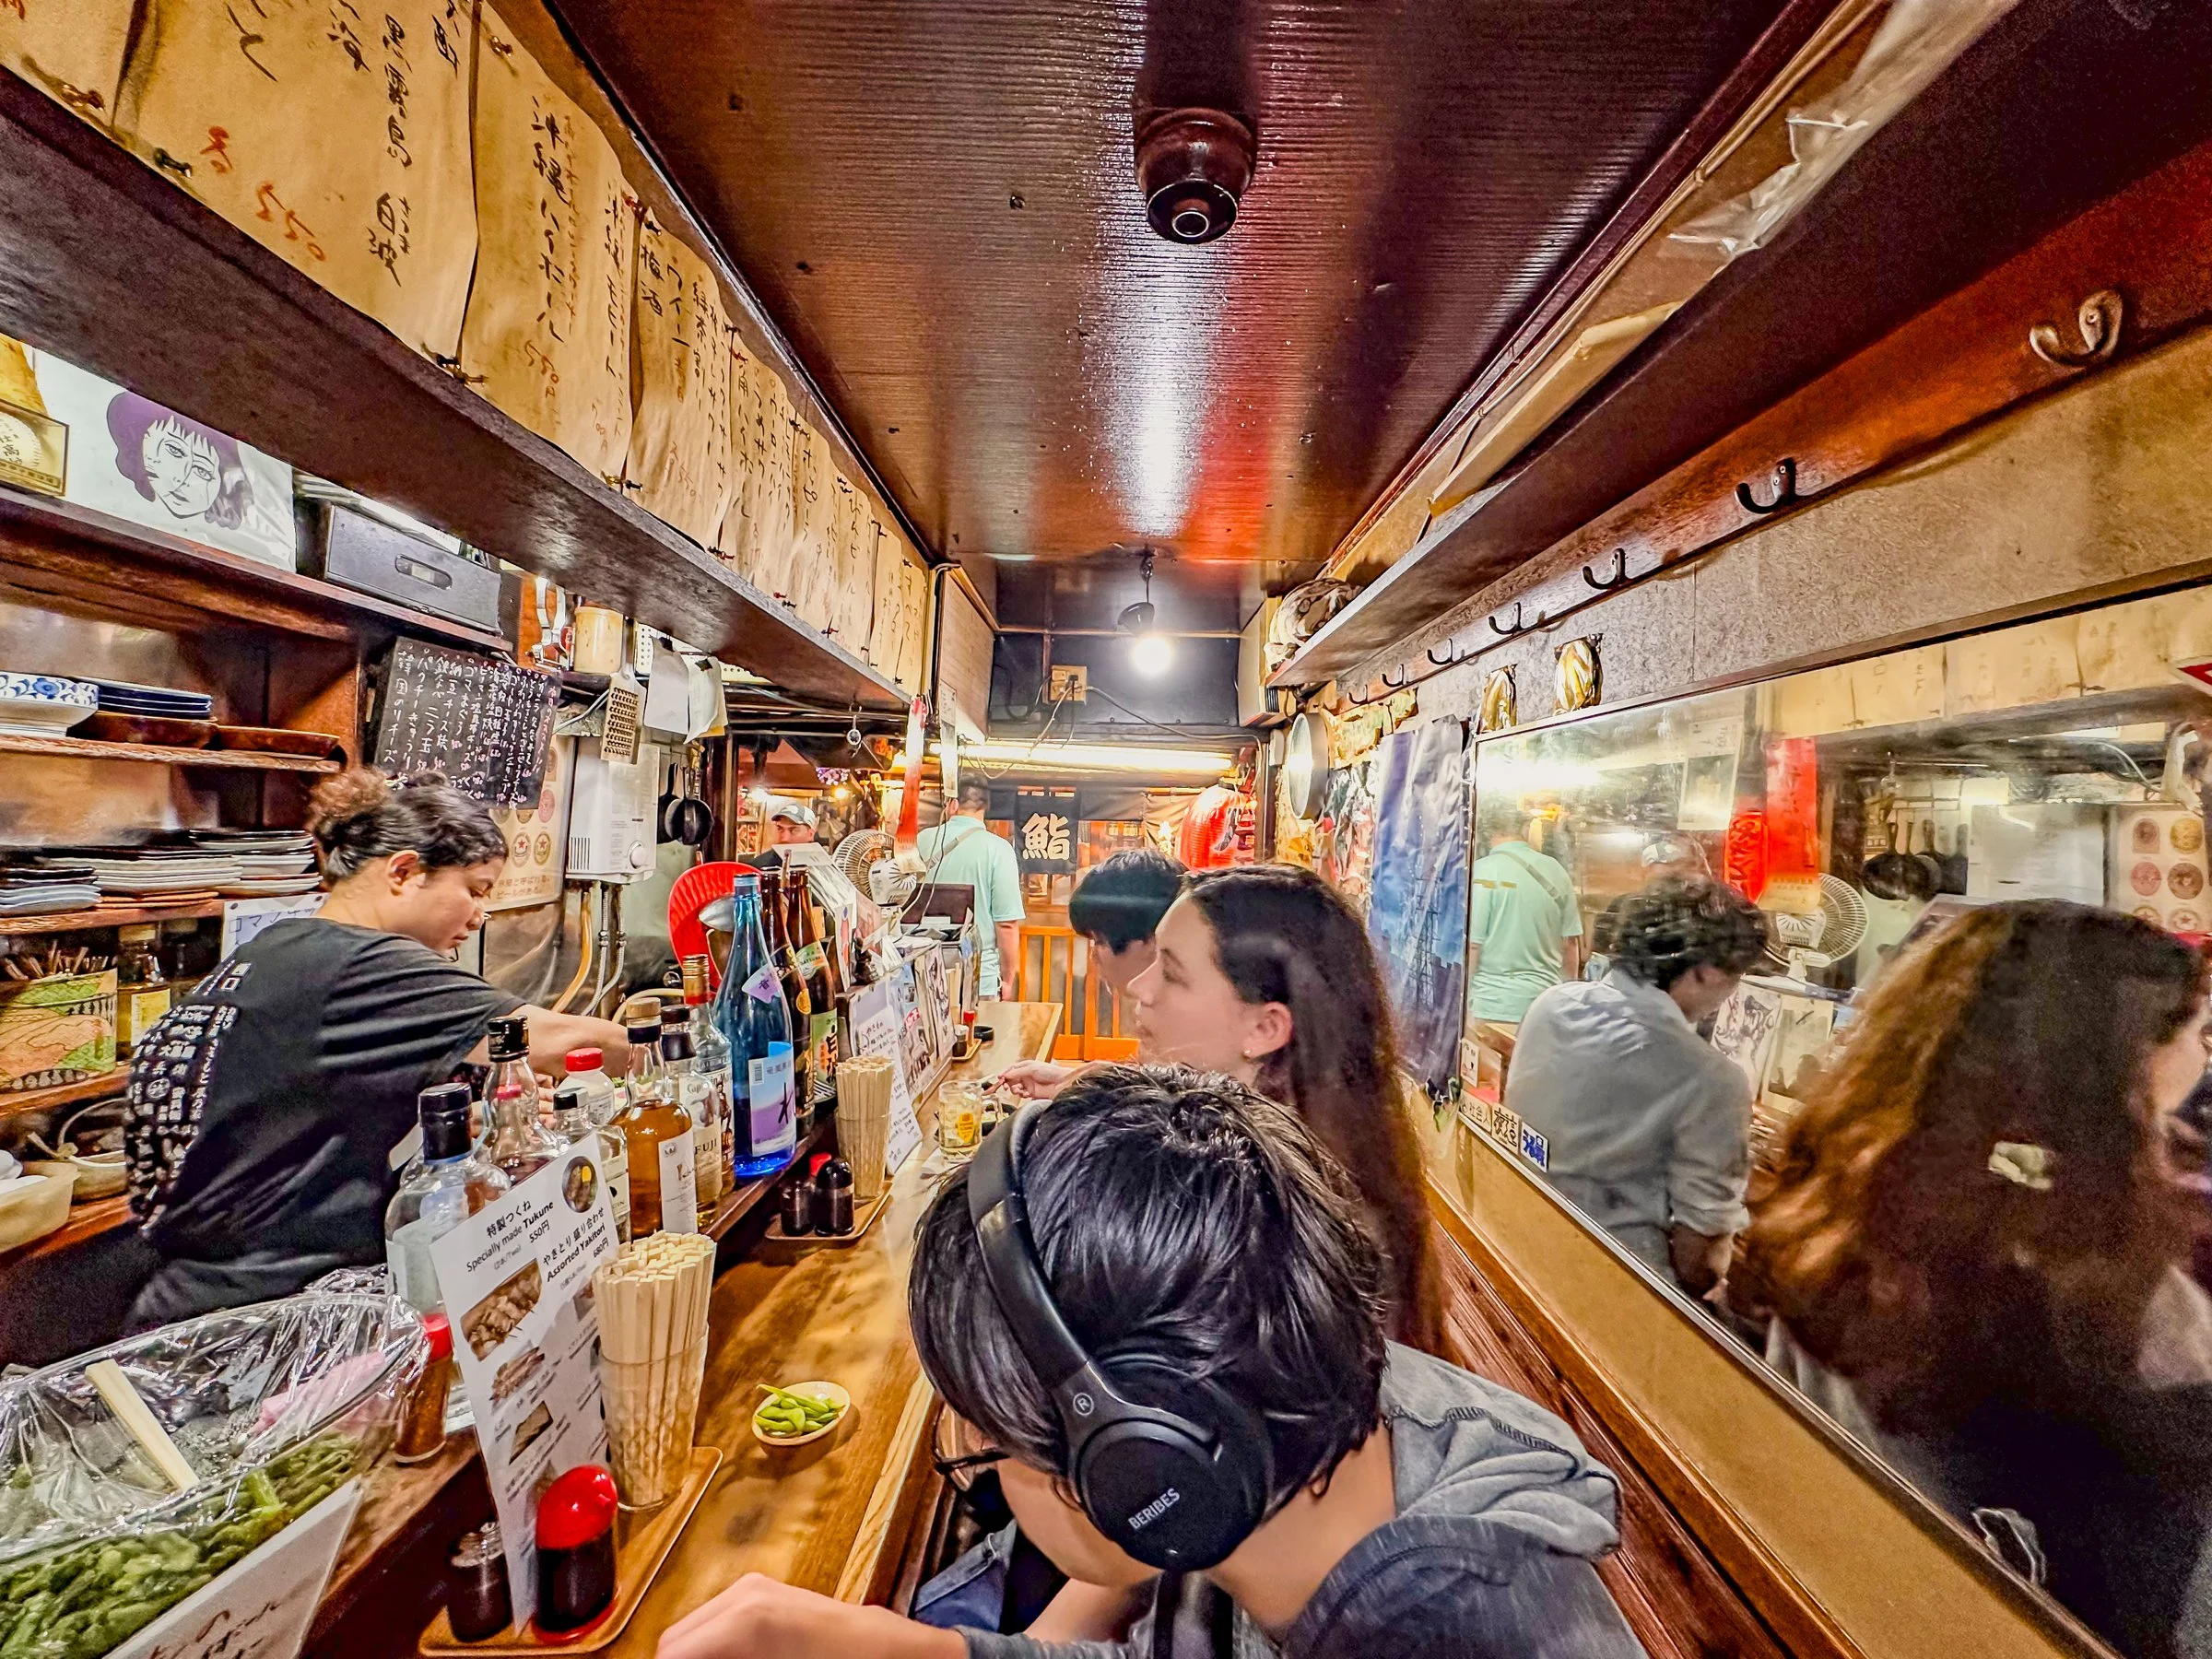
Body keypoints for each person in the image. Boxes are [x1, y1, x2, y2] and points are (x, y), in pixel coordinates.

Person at [656, 1066, 1649, 1659]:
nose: (967, 1444)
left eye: (985, 1441)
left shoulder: (1442, 1637)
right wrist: (924, 1651)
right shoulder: (1333, 1432)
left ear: (1143, 1470)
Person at [1735, 901, 2212, 1659]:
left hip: (1839, 1584)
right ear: (2120, 1059)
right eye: (2195, 1035)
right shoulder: (2102, 1280)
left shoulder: (1844, 1199)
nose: (2200, 1060)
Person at [121, 770, 629, 1330]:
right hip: (262, 1316)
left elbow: (302, 1113)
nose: (479, 916)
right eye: (475, 890)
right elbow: (561, 1043)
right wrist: (670, 1051)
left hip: (200, 1298)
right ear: (405, 871)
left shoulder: (283, 948)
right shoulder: (366, 965)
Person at [1123, 864, 1443, 1351]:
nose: (1139, 988)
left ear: (1265, 1029)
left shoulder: (1270, 1218)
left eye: (1170, 972)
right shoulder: (1288, 1144)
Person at [1503, 877, 1768, 1293]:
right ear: (1704, 971)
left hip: (1517, 1243)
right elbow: (1699, 1259)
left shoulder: (1552, 1005)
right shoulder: (1712, 1079)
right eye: (1737, 976)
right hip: (1619, 1290)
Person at [999, 850, 1184, 1100]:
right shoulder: (1164, 1010)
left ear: (1151, 940)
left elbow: (1168, 1110)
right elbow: (1157, 1085)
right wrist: (1073, 1080)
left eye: (1099, 941)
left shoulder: (1183, 1022)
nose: (1093, 958)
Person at [917, 778, 1027, 997]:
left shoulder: (922, 840)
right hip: (978, 977)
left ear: (952, 804)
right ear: (984, 807)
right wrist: (1007, 979)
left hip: (921, 972)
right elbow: (1006, 924)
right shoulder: (999, 849)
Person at [1466, 818, 1583, 1024]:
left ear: (1489, 832)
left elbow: (1473, 945)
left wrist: (1463, 1003)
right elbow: (1571, 944)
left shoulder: (1481, 872)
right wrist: (1567, 1000)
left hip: (1491, 1005)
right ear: (1526, 829)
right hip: (1544, 1008)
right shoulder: (1556, 870)